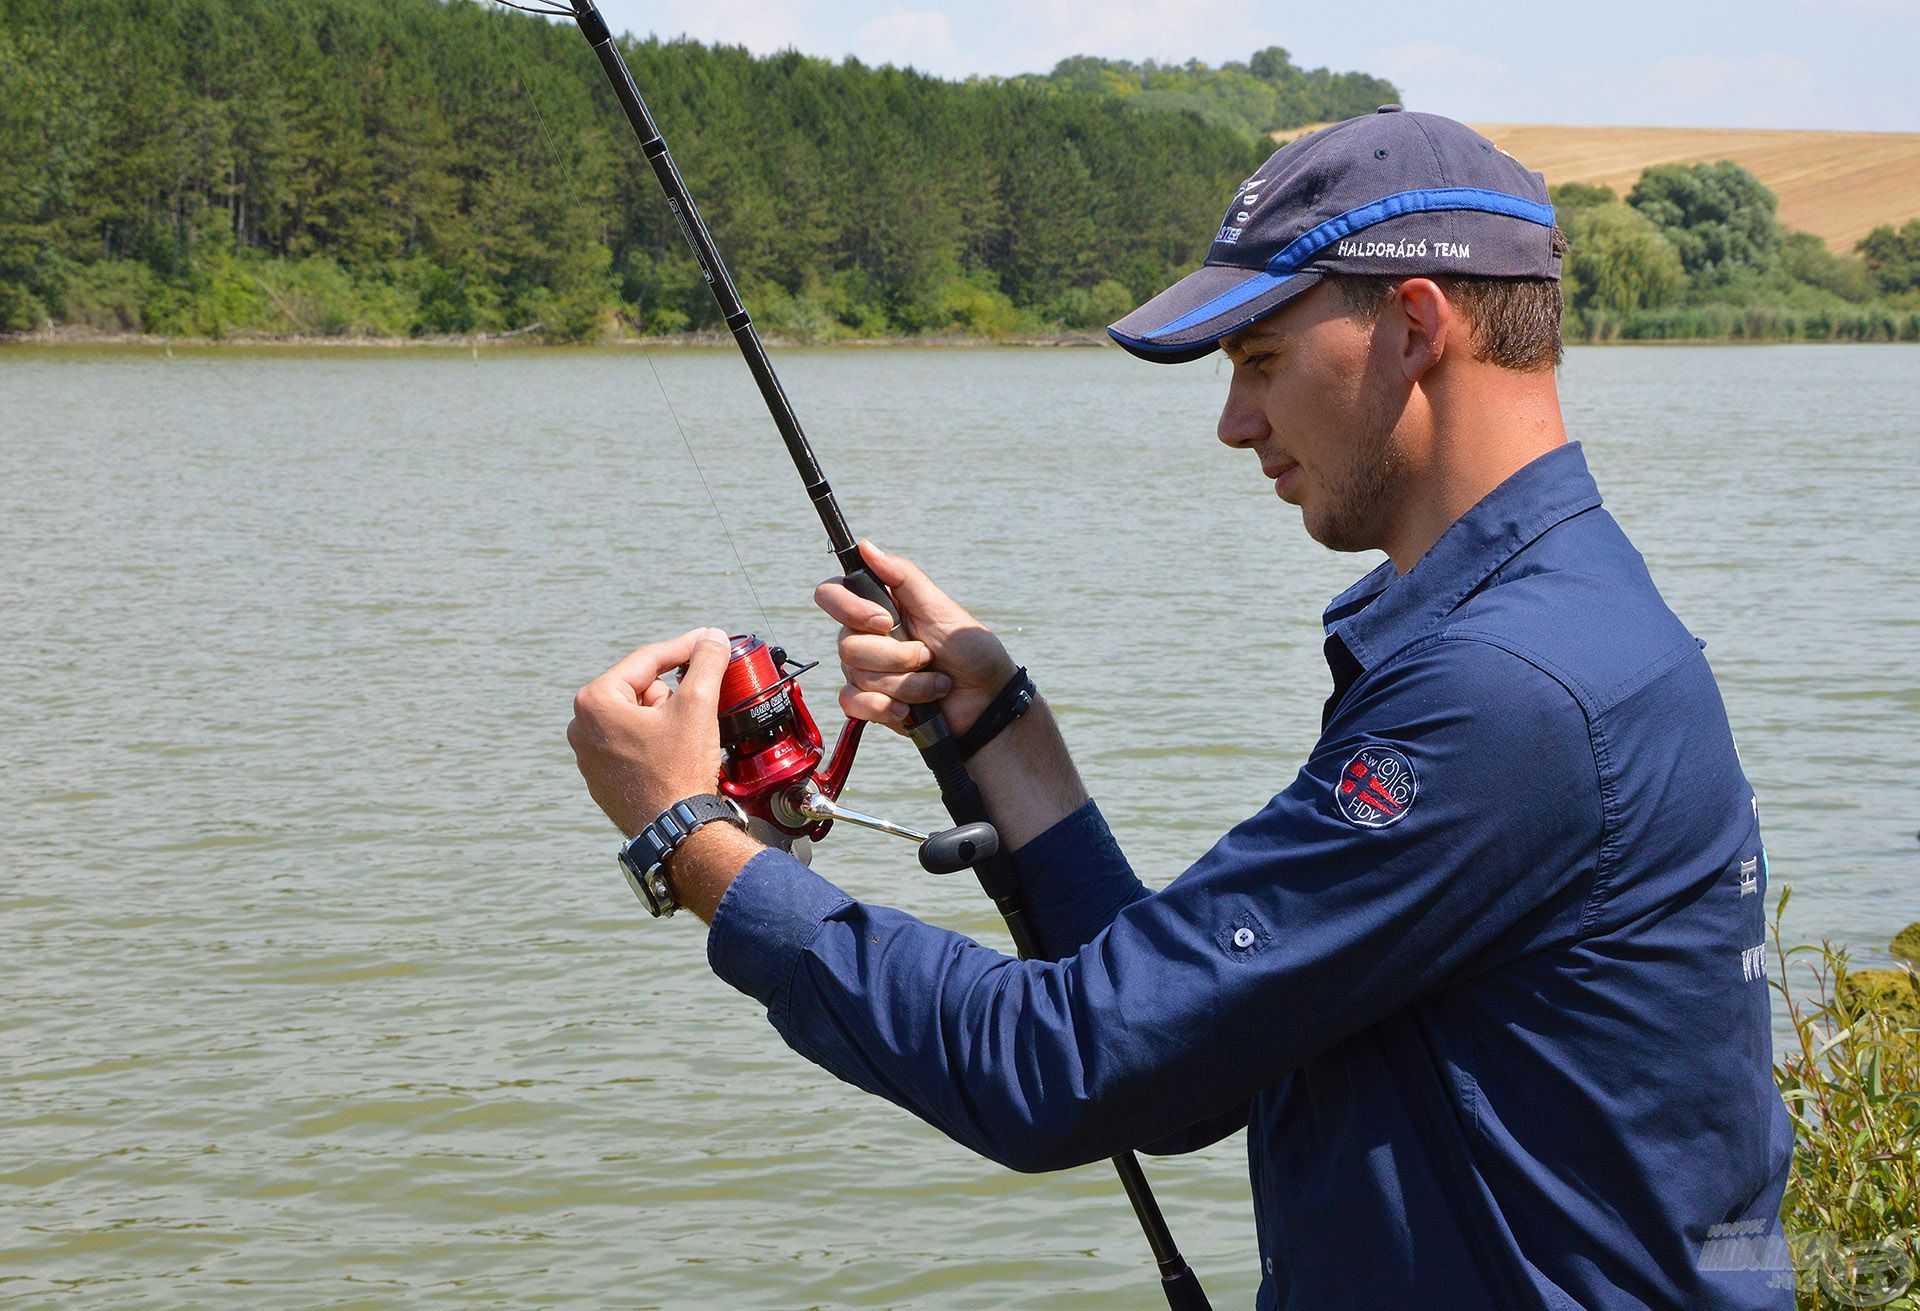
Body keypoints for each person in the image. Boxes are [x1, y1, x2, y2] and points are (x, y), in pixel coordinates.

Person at [566, 109, 1795, 1309]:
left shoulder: (1504, 696)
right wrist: (1006, 732)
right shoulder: (1555, 620)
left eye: (1260, 360)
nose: (1233, 423)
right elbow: (1184, 1074)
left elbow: (1059, 1068)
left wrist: (693, 841)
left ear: (1416, 326)